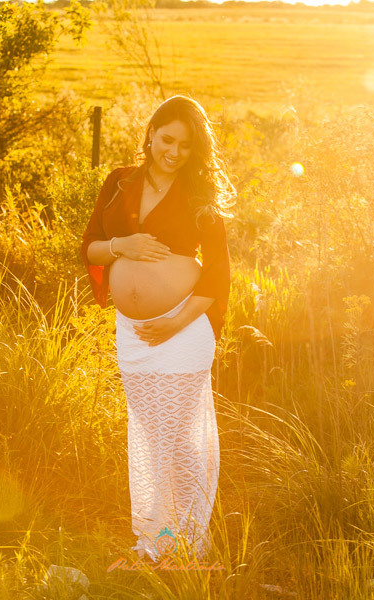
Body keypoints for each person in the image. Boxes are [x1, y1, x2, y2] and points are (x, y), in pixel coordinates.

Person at [80, 95, 234, 560]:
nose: (174, 152)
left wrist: (176, 321)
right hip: (134, 334)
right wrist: (121, 245)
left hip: (182, 330)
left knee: (182, 440)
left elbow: (220, 272)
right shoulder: (118, 182)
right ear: (151, 134)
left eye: (186, 146)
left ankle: (187, 546)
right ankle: (155, 541)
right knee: (148, 437)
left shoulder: (198, 194)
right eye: (168, 139)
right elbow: (88, 248)